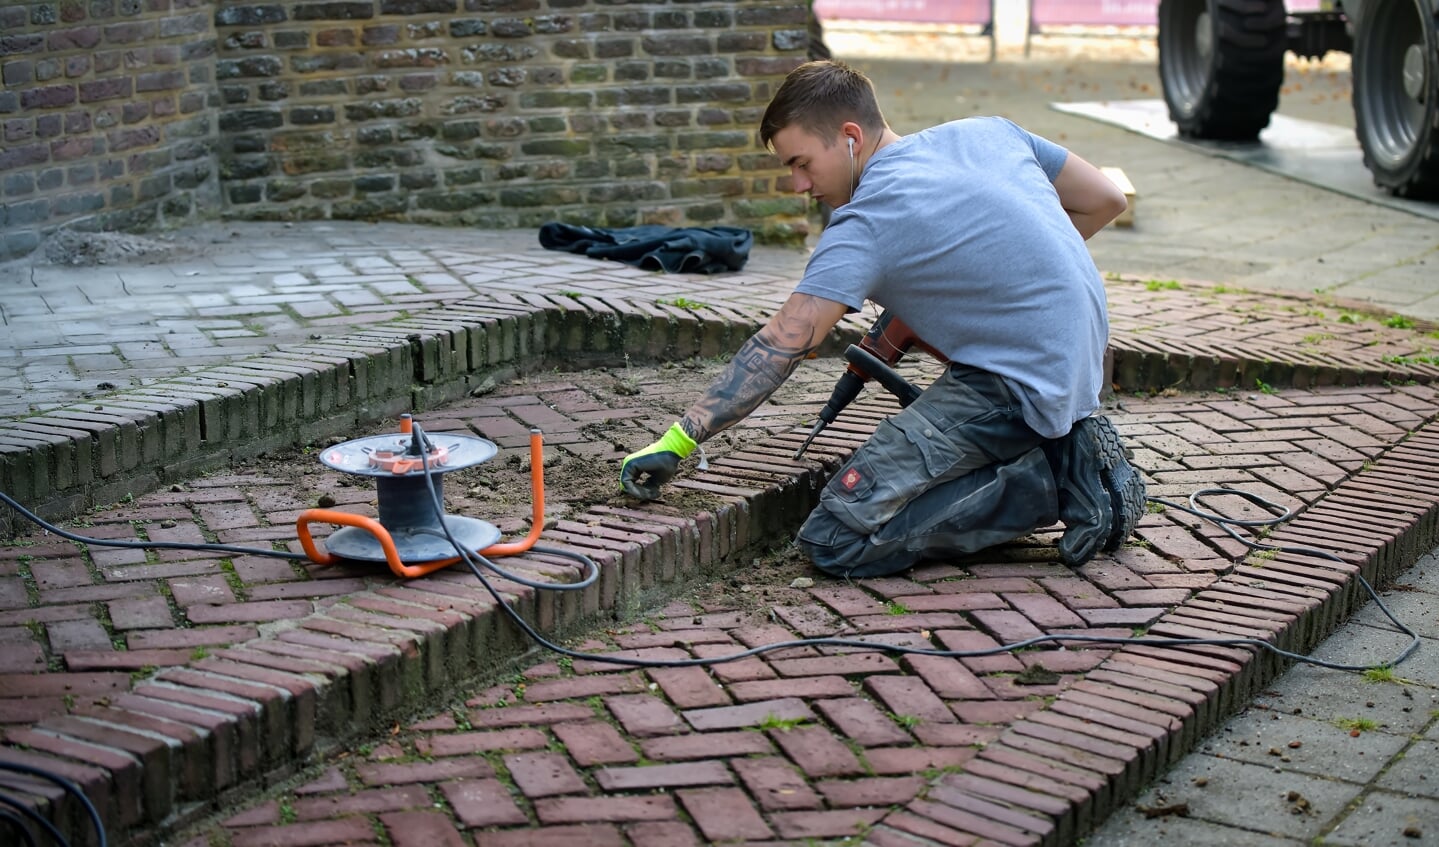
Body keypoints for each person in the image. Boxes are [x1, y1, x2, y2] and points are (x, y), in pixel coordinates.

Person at [619, 60, 1146, 579]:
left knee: (837, 539)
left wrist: (679, 440)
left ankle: (1059, 479)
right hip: (1080, 361)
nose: (799, 185)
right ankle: (1057, 444)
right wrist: (1001, 283)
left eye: (801, 163)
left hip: (1014, 385)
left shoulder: (868, 220)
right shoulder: (987, 131)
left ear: (850, 136)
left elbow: (785, 340)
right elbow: (1104, 199)